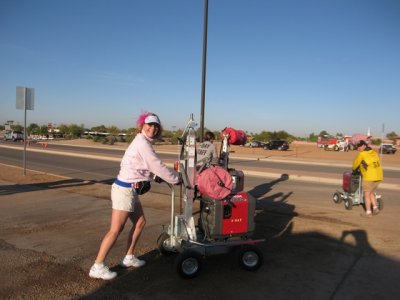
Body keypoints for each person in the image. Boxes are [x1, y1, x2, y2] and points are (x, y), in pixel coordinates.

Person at [89, 112, 180, 280]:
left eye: (156, 126)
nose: (152, 128)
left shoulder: (142, 142)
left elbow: (135, 164)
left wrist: (152, 176)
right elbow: (155, 164)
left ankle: (128, 257)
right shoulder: (142, 143)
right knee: (116, 230)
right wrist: (176, 179)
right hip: (124, 190)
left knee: (140, 222)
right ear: (142, 125)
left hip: (130, 190)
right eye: (149, 125)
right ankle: (98, 265)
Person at [352, 140, 383, 218]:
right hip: (378, 176)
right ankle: (375, 208)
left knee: (366, 194)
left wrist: (354, 170)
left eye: (359, 147)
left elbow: (355, 165)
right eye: (357, 147)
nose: (358, 148)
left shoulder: (362, 154)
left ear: (363, 146)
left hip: (369, 177)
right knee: (371, 192)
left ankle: (368, 213)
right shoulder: (374, 152)